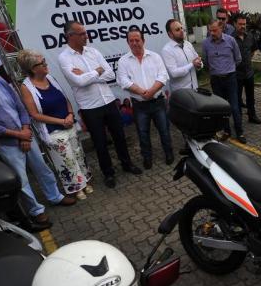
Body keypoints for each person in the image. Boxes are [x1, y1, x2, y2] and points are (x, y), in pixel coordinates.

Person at [0, 50, 76, 227]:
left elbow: (21, 108)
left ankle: (55, 196)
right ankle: (36, 211)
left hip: (26, 134)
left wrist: (25, 130)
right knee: (21, 180)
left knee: (42, 168)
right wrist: (18, 135)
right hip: (6, 142)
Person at [58, 20, 142, 189]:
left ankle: (127, 164)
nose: (86, 36)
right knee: (100, 142)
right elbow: (79, 81)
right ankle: (108, 173)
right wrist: (97, 71)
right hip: (90, 107)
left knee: (119, 136)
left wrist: (88, 75)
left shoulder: (93, 51)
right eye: (81, 34)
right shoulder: (64, 57)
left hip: (109, 101)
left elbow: (110, 73)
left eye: (85, 32)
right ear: (70, 36)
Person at [17, 49, 93, 200]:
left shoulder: (51, 79)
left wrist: (70, 115)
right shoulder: (26, 87)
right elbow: (35, 114)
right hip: (53, 130)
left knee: (78, 154)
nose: (46, 64)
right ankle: (76, 187)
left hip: (68, 123)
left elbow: (65, 99)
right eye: (42, 63)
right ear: (33, 68)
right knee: (66, 159)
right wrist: (61, 121)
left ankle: (85, 181)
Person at [117, 29, 173, 170]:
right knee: (142, 133)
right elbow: (123, 81)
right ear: (127, 42)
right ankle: (147, 158)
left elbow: (163, 76)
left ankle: (169, 153)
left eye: (137, 40)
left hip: (158, 101)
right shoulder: (123, 61)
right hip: (139, 105)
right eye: (131, 40)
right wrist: (142, 92)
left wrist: (152, 91)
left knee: (164, 130)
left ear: (143, 40)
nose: (135, 43)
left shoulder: (155, 57)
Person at [161, 19, 204, 155]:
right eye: (177, 30)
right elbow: (174, 73)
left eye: (182, 28)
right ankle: (190, 147)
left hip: (194, 88)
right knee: (186, 121)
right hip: (181, 93)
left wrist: (199, 64)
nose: (181, 32)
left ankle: (197, 144)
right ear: (170, 34)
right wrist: (192, 64)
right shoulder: (167, 50)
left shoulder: (188, 44)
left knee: (195, 119)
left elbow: (198, 60)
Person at [202, 19, 245, 143]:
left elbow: (238, 59)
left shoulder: (231, 41)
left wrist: (228, 69)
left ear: (222, 28)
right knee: (221, 108)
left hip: (230, 78)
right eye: (210, 31)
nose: (212, 33)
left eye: (215, 30)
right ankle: (227, 131)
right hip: (216, 80)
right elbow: (205, 61)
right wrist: (216, 70)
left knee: (234, 107)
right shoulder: (205, 44)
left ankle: (240, 132)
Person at [232, 13, 261, 124]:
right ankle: (238, 119)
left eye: (244, 24)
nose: (242, 26)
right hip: (236, 75)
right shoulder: (230, 39)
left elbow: (253, 49)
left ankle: (252, 116)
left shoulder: (250, 36)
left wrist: (248, 58)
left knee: (251, 97)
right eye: (240, 24)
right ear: (235, 24)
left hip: (249, 73)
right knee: (237, 99)